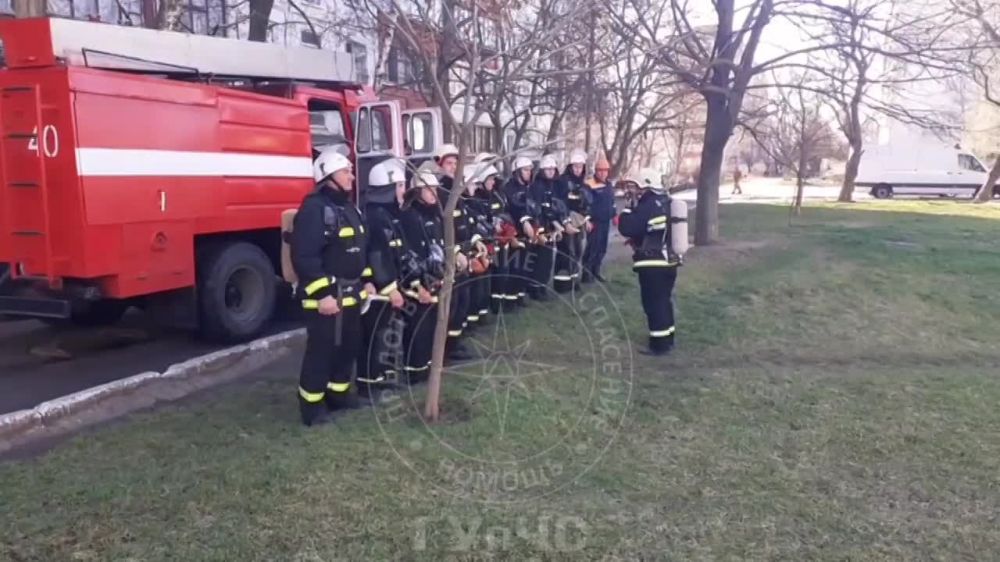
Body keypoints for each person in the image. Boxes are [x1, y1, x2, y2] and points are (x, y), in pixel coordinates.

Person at [291, 147, 376, 426]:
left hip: (351, 295)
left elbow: (359, 250)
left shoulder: (349, 208)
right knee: (322, 351)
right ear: (328, 176)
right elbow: (304, 256)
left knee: (348, 347)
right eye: (346, 171)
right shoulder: (313, 209)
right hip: (325, 299)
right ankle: (311, 408)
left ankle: (338, 396)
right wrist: (323, 294)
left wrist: (367, 280)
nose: (352, 176)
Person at [617, 168, 682, 357]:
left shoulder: (648, 204)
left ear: (645, 186)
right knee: (664, 300)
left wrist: (628, 208)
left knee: (653, 303)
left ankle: (659, 345)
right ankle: (668, 338)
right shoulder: (665, 202)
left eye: (635, 186)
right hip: (669, 261)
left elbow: (627, 227)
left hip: (653, 263)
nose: (632, 190)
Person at [357, 158, 408, 393]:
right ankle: (370, 385)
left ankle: (385, 377)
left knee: (389, 333)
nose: (403, 191)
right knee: (376, 336)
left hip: (389, 286)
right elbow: (377, 256)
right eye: (399, 186)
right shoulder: (376, 217)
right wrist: (388, 287)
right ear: (387, 189)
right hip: (378, 290)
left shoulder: (387, 214)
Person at [398, 172, 447, 383]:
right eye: (429, 189)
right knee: (417, 327)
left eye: (435, 189)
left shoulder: (433, 213)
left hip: (434, 277)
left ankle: (426, 366)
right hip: (416, 283)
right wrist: (418, 285)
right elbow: (409, 253)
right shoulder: (409, 216)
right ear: (417, 192)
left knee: (429, 325)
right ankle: (414, 372)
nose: (433, 193)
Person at [433, 144, 475, 360]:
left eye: (456, 162)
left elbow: (463, 222)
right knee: (453, 301)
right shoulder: (440, 191)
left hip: (462, 253)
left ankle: (455, 343)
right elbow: (442, 226)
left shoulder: (456, 189)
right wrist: (456, 251)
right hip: (450, 256)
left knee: (463, 299)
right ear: (440, 165)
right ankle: (447, 349)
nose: (453, 166)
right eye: (449, 162)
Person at [501, 156, 539, 307]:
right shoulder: (509, 188)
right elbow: (515, 207)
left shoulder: (529, 187)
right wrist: (524, 222)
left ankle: (520, 295)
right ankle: (510, 300)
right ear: (517, 171)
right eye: (525, 170)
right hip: (515, 234)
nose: (528, 173)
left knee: (525, 266)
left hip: (527, 233)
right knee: (514, 267)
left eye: (530, 170)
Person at [527, 155, 564, 300]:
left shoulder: (553, 186)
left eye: (553, 169)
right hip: (540, 228)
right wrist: (540, 229)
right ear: (542, 170)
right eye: (548, 169)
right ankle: (535, 289)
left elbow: (554, 208)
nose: (551, 172)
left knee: (548, 260)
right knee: (539, 261)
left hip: (550, 228)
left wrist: (557, 224)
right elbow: (536, 210)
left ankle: (542, 286)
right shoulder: (537, 187)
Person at [554, 149, 591, 294]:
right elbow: (560, 203)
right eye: (575, 166)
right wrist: (566, 221)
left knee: (577, 252)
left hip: (579, 222)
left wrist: (586, 219)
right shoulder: (562, 182)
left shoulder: (582, 183)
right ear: (570, 167)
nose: (578, 169)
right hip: (566, 222)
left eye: (580, 166)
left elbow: (585, 204)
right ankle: (562, 285)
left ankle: (574, 281)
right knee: (566, 252)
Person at [582, 155, 615, 283]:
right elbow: (584, 204)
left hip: (605, 221)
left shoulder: (608, 185)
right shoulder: (589, 185)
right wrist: (587, 220)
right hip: (594, 222)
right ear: (596, 171)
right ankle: (586, 274)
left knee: (602, 248)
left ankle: (596, 271)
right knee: (592, 248)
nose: (603, 173)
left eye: (605, 170)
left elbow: (611, 202)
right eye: (600, 170)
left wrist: (614, 214)